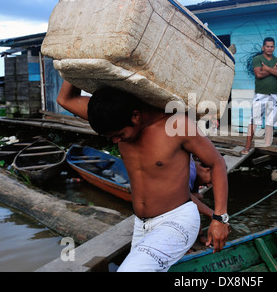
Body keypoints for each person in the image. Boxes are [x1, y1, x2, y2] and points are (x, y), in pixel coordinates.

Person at [57, 81, 230, 272]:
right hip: (141, 226)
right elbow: (65, 99)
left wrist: (220, 219)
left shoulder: (176, 125)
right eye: (110, 137)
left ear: (136, 116)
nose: (116, 141)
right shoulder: (109, 115)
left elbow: (217, 163)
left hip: (177, 220)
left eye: (119, 134)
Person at [242, 37, 277, 154]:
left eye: (272, 46)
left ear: (274, 48)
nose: (270, 48)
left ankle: (267, 143)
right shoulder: (257, 58)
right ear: (263, 47)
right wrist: (272, 70)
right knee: (254, 120)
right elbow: (258, 74)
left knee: (270, 121)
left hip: (274, 94)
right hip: (260, 94)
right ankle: (247, 145)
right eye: (267, 46)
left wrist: (266, 68)